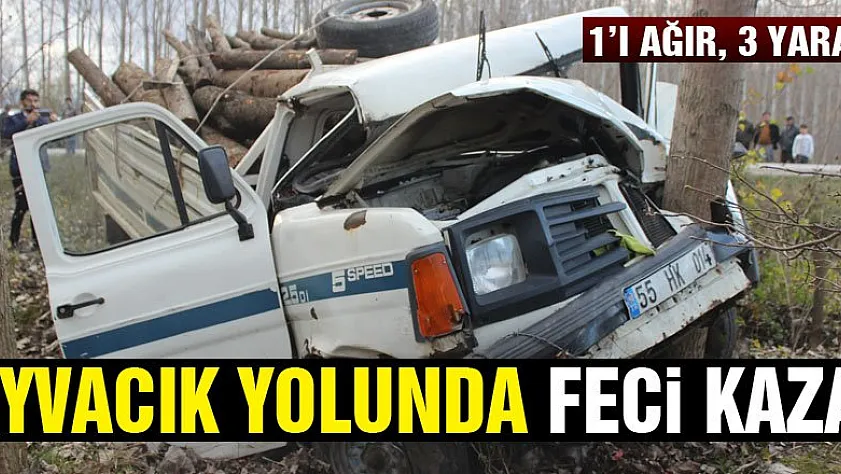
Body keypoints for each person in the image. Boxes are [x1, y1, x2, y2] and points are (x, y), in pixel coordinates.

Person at [2, 89, 58, 250]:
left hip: (39, 167)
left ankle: (37, 243)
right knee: (22, 206)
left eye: (36, 101)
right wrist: (26, 121)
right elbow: (6, 134)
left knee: (39, 207)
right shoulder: (14, 119)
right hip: (19, 169)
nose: (33, 104)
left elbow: (52, 137)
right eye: (29, 101)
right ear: (22, 102)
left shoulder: (42, 119)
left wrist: (54, 123)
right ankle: (13, 241)